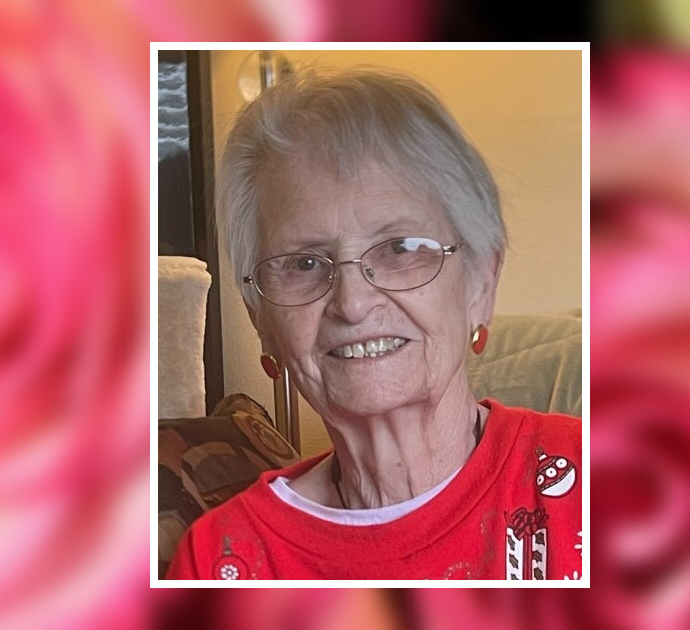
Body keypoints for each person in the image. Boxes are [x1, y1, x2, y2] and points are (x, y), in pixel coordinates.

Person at [166, 68, 582, 580]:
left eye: (400, 248)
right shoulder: (220, 562)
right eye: (304, 263)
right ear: (261, 320)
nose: (354, 303)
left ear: (481, 284)